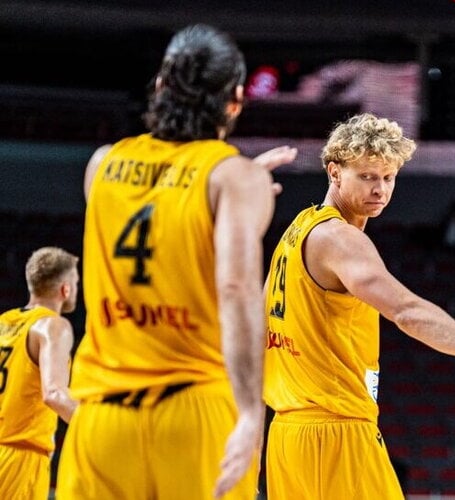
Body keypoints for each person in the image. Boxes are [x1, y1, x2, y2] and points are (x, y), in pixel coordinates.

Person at [262, 113, 455, 499]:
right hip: (334, 433)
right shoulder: (340, 239)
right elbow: (406, 311)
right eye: (367, 176)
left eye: (388, 177)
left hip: (288, 435)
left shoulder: (297, 230)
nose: (380, 189)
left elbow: (261, 320)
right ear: (334, 172)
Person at [56, 24, 296, 500]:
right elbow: (235, 289)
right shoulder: (232, 178)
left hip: (101, 417)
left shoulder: (101, 164)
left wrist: (235, 190)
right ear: (236, 100)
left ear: (162, 86)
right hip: (194, 411)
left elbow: (161, 206)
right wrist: (251, 411)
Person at [0, 246, 79, 500]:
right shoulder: (53, 326)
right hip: (19, 461)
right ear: (65, 289)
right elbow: (54, 393)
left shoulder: (3, 322)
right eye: (76, 282)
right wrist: (96, 425)